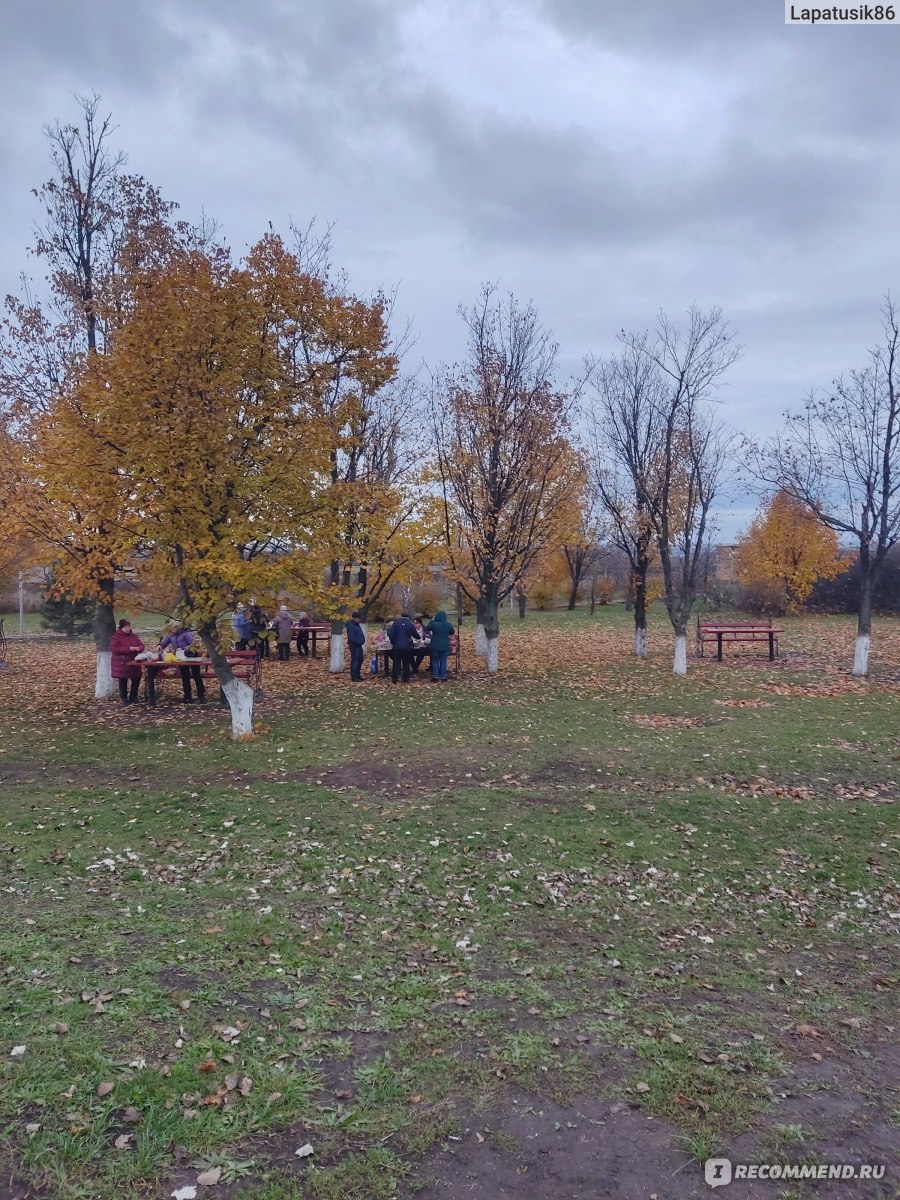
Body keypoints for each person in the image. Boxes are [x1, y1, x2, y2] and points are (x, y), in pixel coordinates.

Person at [159, 622, 206, 704]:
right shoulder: (171, 635)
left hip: (191, 655)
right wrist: (159, 645)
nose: (172, 630)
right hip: (181, 657)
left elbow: (193, 643)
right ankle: (187, 696)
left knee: (196, 675)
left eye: (174, 628)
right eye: (171, 628)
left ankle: (201, 695)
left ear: (178, 628)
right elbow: (164, 643)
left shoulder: (186, 633)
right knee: (185, 676)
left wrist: (183, 648)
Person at [109, 618, 145, 704]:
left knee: (136, 677)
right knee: (123, 679)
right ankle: (124, 698)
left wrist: (139, 648)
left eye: (129, 626)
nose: (128, 628)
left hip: (134, 661)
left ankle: (133, 696)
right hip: (122, 662)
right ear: (121, 628)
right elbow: (114, 648)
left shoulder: (133, 636)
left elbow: (141, 645)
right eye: (126, 627)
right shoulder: (116, 637)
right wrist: (128, 649)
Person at [387, 612, 418, 683]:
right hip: (407, 647)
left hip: (397, 646)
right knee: (406, 663)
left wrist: (393, 642)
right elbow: (415, 635)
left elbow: (391, 634)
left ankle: (394, 679)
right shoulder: (410, 624)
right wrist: (418, 638)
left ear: (401, 616)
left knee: (396, 663)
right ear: (408, 617)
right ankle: (405, 678)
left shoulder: (396, 623)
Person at [425, 610, 455, 683]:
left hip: (435, 645)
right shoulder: (448, 624)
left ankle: (435, 677)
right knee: (443, 661)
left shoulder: (434, 624)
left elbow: (427, 628)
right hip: (445, 646)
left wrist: (432, 620)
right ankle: (443, 677)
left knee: (435, 661)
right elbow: (452, 632)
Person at [345, 612, 366, 681]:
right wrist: (358, 642)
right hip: (355, 646)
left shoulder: (356, 625)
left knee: (360, 659)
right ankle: (354, 677)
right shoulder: (351, 626)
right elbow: (351, 637)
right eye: (359, 618)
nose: (360, 620)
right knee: (355, 661)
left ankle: (357, 674)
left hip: (358, 645)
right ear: (356, 618)